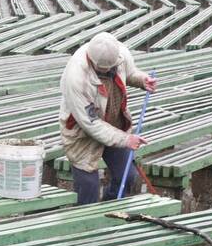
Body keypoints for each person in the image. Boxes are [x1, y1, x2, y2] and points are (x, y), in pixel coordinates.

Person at [59, 32, 157, 205]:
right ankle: (86, 226)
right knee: (88, 188)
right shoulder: (76, 76)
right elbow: (91, 123)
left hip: (114, 125)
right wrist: (125, 139)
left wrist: (142, 80)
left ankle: (108, 212)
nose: (109, 71)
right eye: (104, 70)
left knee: (127, 176)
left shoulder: (119, 53)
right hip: (82, 133)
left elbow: (130, 72)